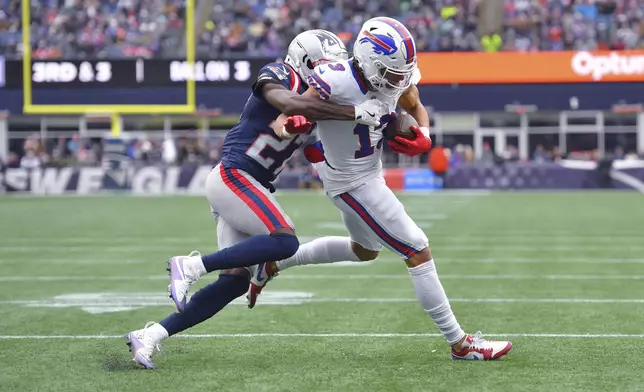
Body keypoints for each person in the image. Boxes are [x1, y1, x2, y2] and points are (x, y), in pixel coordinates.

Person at [124, 30, 389, 369]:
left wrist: (347, 190)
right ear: (305, 63)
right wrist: (353, 112)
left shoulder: (317, 109)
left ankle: (150, 336)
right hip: (234, 176)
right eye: (325, 67)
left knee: (234, 281)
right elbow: (286, 107)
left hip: (247, 185)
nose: (330, 76)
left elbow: (316, 154)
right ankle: (191, 265)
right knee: (285, 240)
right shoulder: (283, 75)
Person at [256, 17, 513, 360]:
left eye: (401, 74)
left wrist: (424, 133)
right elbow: (287, 117)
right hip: (351, 182)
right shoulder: (334, 78)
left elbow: (415, 103)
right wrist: (297, 125)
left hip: (367, 173)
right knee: (417, 249)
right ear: (367, 60)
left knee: (365, 250)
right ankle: (460, 343)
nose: (397, 81)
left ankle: (274, 265)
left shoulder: (397, 74)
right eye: (391, 74)